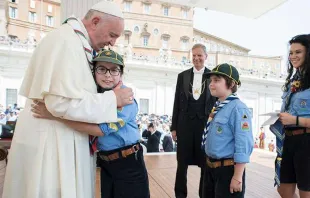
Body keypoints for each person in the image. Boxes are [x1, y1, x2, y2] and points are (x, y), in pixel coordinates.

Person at [2, 2, 134, 198]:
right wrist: (112, 100)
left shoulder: (76, 42)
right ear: (95, 22)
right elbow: (59, 103)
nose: (113, 43)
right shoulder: (65, 42)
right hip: (51, 144)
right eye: (112, 35)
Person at [32, 49, 150, 198]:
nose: (108, 75)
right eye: (102, 69)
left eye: (114, 70)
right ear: (94, 72)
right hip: (106, 164)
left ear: (121, 74)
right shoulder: (95, 96)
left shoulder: (125, 97)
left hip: (129, 164)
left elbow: (101, 130)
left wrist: (55, 115)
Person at [171, 43, 216, 198]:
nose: (197, 58)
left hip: (205, 125)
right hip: (184, 124)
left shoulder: (213, 76)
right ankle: (180, 195)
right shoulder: (182, 76)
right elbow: (176, 102)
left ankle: (203, 195)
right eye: (194, 55)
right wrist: (173, 127)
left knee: (205, 163)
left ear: (206, 57)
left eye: (200, 55)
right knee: (181, 163)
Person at [202, 63, 254, 198]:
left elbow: (243, 145)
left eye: (217, 80)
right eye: (211, 80)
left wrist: (237, 177)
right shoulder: (218, 107)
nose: (211, 84)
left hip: (227, 170)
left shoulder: (238, 109)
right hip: (211, 168)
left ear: (231, 84)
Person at [270, 34, 310, 198]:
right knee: (283, 189)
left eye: (298, 52)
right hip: (288, 140)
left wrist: (294, 120)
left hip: (306, 142)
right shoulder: (294, 79)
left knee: (305, 192)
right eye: (291, 52)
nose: (293, 56)